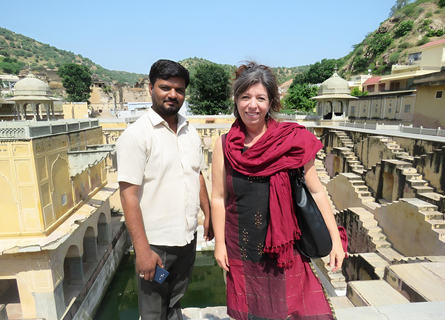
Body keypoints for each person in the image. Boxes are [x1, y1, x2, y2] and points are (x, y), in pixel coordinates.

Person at [211, 62, 346, 320]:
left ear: (271, 101)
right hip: (242, 246)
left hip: (286, 246)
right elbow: (218, 198)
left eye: (260, 98)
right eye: (245, 97)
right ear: (236, 100)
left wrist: (336, 240)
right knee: (253, 313)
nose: (253, 105)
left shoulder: (292, 140)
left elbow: (317, 192)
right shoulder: (225, 145)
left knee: (301, 311)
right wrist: (219, 244)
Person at [116, 59, 213, 320]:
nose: (173, 94)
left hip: (187, 240)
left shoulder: (188, 131)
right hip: (156, 245)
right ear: (151, 88)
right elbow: (128, 196)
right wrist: (142, 251)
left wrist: (208, 214)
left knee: (174, 303)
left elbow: (197, 175)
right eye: (165, 87)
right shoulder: (137, 136)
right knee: (152, 312)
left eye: (179, 90)